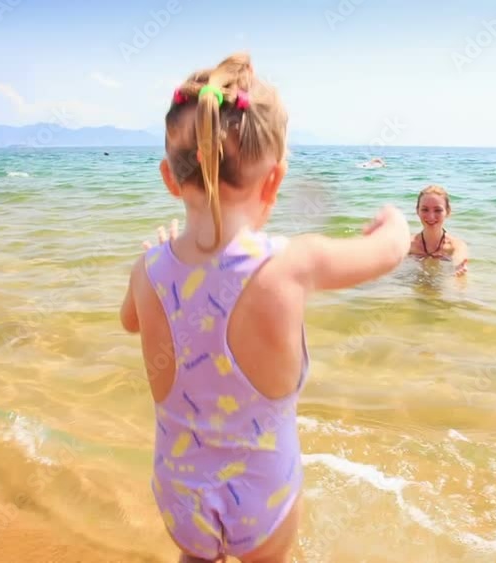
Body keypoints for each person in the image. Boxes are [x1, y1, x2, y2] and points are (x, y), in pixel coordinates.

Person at [118, 52, 412, 563]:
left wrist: (157, 258)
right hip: (263, 496)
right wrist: (396, 222)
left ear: (169, 177)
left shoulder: (148, 269)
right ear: (274, 180)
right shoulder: (293, 263)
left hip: (179, 489)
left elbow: (130, 321)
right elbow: (388, 253)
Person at [409, 184, 469, 275]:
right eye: (425, 209)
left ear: (448, 212)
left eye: (438, 210)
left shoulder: (455, 246)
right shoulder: (407, 245)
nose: (431, 216)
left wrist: (459, 268)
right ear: (417, 211)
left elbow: (459, 260)